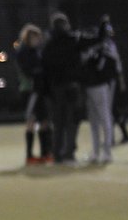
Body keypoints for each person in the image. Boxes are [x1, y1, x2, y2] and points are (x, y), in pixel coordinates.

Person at [41, 12, 108, 165]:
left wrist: (47, 91)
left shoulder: (49, 45)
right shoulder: (73, 39)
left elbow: (44, 69)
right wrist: (104, 24)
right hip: (73, 86)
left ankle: (57, 154)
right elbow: (99, 39)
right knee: (72, 121)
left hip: (55, 88)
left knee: (58, 123)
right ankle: (68, 154)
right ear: (66, 25)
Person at [80, 19, 122, 164]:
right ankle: (96, 152)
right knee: (94, 121)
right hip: (90, 86)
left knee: (104, 118)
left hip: (100, 86)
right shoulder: (92, 48)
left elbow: (110, 66)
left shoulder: (105, 48)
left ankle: (107, 152)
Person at [15, 23, 52, 165]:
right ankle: (29, 155)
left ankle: (45, 153)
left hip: (38, 90)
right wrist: (40, 73)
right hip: (30, 91)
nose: (38, 40)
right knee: (31, 120)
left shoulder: (36, 51)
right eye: (35, 37)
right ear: (28, 37)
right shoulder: (23, 52)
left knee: (44, 120)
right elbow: (27, 71)